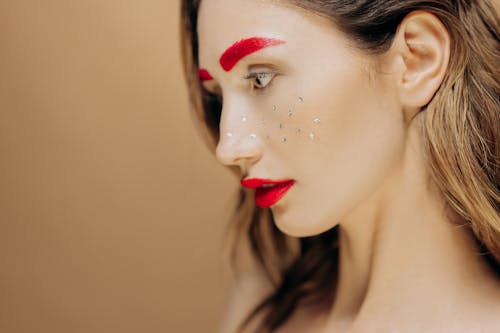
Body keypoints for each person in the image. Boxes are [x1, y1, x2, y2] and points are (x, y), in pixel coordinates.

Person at [180, 1, 500, 332]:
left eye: (260, 79)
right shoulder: (259, 309)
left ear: (416, 59)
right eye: (218, 96)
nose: (229, 148)